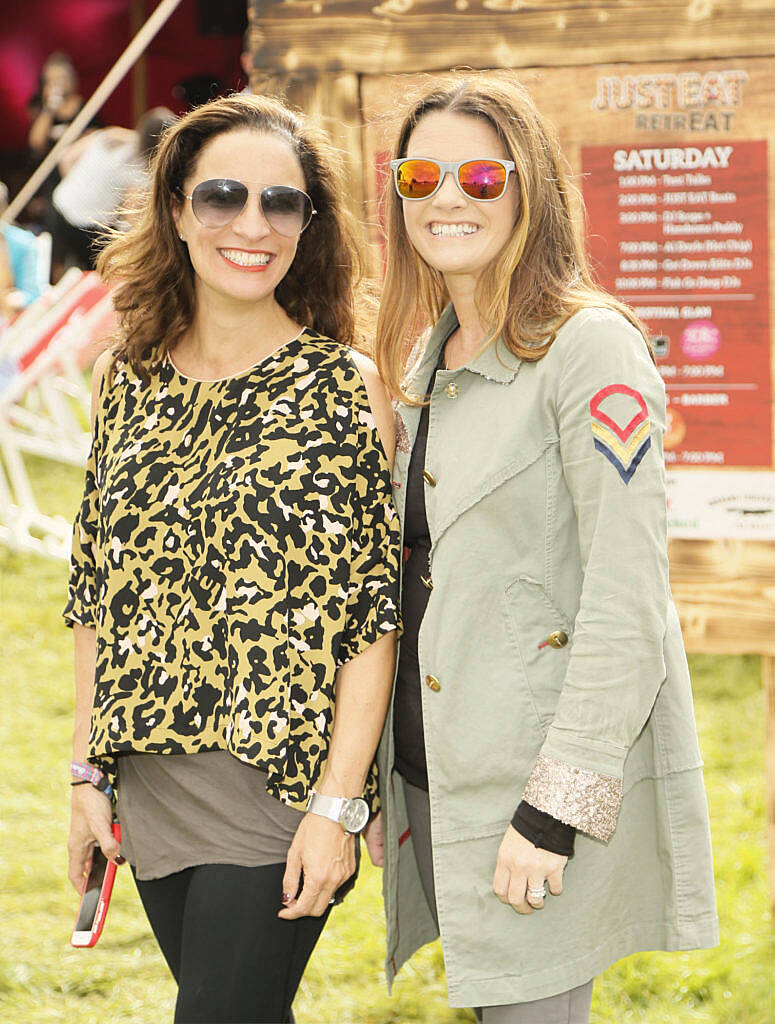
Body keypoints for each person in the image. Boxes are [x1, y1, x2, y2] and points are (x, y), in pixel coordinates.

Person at [371, 75, 719, 1023]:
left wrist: (552, 809)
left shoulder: (587, 349)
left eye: (482, 176)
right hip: (437, 773)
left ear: (531, 189)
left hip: (534, 790)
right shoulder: (425, 360)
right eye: (421, 173)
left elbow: (626, 600)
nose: (447, 196)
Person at [64, 92, 400, 1024]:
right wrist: (87, 774)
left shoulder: (343, 387)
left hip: (280, 788)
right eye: (222, 196)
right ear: (175, 209)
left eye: (281, 203)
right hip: (150, 778)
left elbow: (372, 620)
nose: (252, 225)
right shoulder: (123, 379)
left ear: (308, 224)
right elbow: (96, 597)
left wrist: (338, 806)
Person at [50, 107, 175, 270]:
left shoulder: (111, 135)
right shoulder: (140, 166)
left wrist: (79, 189)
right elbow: (131, 215)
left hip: (59, 203)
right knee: (112, 270)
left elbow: (66, 158)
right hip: (86, 225)